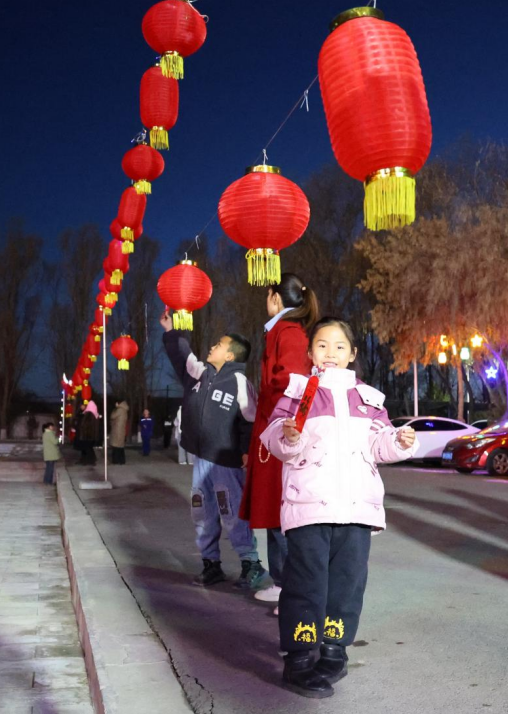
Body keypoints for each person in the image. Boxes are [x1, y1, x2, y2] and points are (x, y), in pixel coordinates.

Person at [261, 318, 416, 698]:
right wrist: (288, 436)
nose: (331, 353)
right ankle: (299, 659)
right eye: (322, 345)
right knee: (305, 583)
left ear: (352, 354)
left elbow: (379, 444)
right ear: (311, 352)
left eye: (339, 346)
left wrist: (398, 440)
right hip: (309, 506)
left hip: (356, 510)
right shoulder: (299, 392)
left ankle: (334, 651)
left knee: (347, 584)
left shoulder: (369, 399)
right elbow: (274, 436)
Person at [161, 309, 270, 589]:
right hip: (202, 459)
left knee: (230, 511)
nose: (212, 347)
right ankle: (211, 565)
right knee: (202, 512)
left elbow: (251, 420)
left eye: (219, 345)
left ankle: (251, 564)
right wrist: (172, 331)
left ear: (230, 356)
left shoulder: (239, 383)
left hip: (226, 462)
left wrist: (246, 450)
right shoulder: (200, 374)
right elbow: (182, 356)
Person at [242, 274, 318, 608]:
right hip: (275, 430)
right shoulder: (284, 330)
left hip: (280, 433)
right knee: (275, 510)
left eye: (267, 295)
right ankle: (282, 582)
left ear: (275, 297)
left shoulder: (288, 332)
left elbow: (289, 383)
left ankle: (291, 588)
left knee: (281, 510)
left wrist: (274, 422)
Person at [78, 401, 99, 466]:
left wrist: (82, 428)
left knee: (88, 448)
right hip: (91, 434)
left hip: (87, 434)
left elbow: (85, 424)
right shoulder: (95, 414)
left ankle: (90, 461)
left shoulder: (89, 414)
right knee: (89, 448)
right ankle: (90, 460)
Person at [110, 400, 129, 465]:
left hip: (117, 429)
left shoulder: (119, 410)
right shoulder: (124, 410)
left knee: (116, 445)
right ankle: (121, 460)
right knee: (120, 446)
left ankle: (116, 460)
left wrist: (115, 409)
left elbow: (112, 416)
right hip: (121, 429)